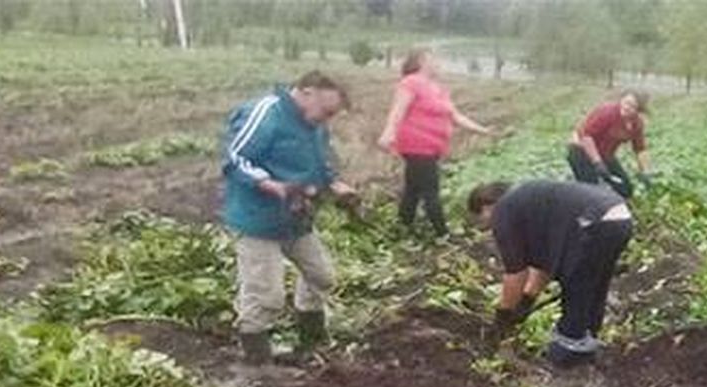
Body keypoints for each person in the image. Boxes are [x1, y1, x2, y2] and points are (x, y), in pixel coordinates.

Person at [221, 71, 356, 366]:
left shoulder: (314, 126)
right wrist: (272, 186)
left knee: (322, 277)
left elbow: (320, 163)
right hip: (258, 220)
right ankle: (256, 361)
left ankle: (311, 337)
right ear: (307, 92)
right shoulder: (267, 113)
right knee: (267, 295)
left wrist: (335, 185)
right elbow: (235, 157)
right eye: (326, 111)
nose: (326, 119)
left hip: (296, 218)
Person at [468, 180, 634, 369]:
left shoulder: (504, 210)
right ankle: (587, 343)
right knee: (594, 285)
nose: (486, 223)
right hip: (620, 218)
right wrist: (527, 299)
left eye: (481, 216)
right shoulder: (530, 203)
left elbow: (515, 274)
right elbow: (544, 265)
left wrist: (503, 316)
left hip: (594, 222)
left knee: (575, 285)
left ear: (487, 205)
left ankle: (567, 355)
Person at [377, 47, 494, 239]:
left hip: (431, 148)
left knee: (413, 189)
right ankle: (443, 233)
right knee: (431, 190)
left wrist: (483, 130)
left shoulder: (438, 89)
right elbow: (398, 109)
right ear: (423, 61)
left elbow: (455, 116)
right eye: (435, 59)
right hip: (417, 145)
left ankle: (403, 226)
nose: (439, 63)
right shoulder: (411, 82)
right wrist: (389, 131)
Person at [566, 92, 652, 199]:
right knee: (592, 192)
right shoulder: (607, 112)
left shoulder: (636, 123)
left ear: (639, 110)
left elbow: (640, 149)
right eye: (626, 103)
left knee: (625, 189)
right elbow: (587, 137)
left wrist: (645, 172)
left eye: (633, 106)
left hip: (606, 154)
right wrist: (597, 162)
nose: (627, 107)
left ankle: (611, 200)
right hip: (581, 151)